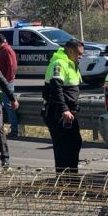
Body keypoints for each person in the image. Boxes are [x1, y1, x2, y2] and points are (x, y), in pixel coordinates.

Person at [44, 39, 84, 173]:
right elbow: (56, 88)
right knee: (63, 148)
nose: (81, 56)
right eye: (79, 53)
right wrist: (64, 109)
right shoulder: (59, 64)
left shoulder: (72, 64)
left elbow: (72, 90)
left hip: (69, 113)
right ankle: (63, 180)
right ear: (71, 51)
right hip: (58, 113)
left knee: (75, 143)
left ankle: (72, 176)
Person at [0, 32, 19, 137]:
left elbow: (12, 67)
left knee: (9, 106)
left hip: (6, 84)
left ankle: (15, 129)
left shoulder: (7, 50)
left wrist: (6, 82)